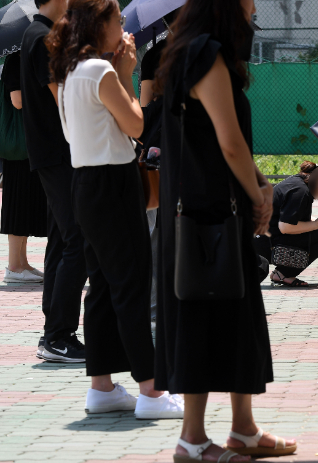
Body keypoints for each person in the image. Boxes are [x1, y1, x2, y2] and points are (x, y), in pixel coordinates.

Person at [154, 0, 296, 463]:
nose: (253, 8)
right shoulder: (206, 54)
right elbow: (229, 141)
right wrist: (258, 192)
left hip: (209, 212)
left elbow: (230, 140)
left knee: (237, 314)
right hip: (205, 216)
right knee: (202, 318)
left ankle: (243, 428)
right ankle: (192, 441)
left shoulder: (187, 50)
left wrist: (260, 183)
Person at [46, 0, 184, 418]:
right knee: (131, 285)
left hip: (85, 183)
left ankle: (102, 387)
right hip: (112, 182)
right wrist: (126, 73)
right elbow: (137, 125)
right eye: (118, 20)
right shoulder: (101, 71)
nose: (124, 26)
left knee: (104, 285)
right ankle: (151, 392)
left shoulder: (69, 70)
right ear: (99, 24)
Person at [21, 0, 87, 363]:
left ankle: (56, 332)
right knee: (77, 239)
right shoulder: (44, 37)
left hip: (51, 154)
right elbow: (63, 99)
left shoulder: (38, 34)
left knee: (63, 239)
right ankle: (58, 335)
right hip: (59, 154)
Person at [254, 161, 318, 287]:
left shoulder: (300, 183)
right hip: (263, 242)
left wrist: (316, 222)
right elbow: (285, 227)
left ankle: (282, 273)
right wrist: (316, 225)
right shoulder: (300, 191)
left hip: (264, 236)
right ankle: (284, 274)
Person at [1, 52, 48, 284]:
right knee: (17, 201)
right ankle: (14, 266)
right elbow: (17, 100)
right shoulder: (15, 61)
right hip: (19, 146)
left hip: (26, 145)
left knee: (24, 200)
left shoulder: (24, 58)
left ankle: (22, 262)